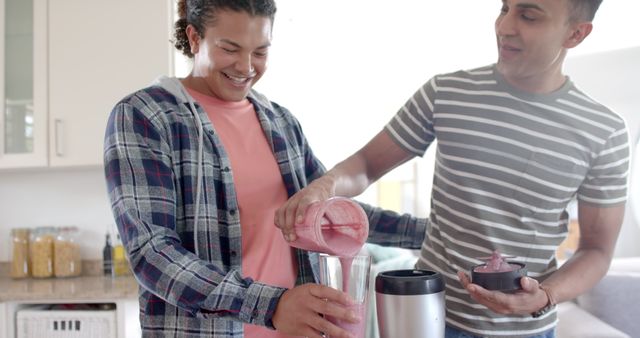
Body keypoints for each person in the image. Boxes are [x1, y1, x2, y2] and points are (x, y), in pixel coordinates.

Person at [276, 1, 630, 337]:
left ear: (576, 34)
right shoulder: (446, 93)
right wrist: (324, 186)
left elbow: (596, 250)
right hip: (423, 318)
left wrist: (546, 294)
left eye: (529, 16)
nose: (504, 27)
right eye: (504, 8)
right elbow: (366, 165)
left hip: (525, 331)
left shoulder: (604, 132)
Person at [103, 0, 424, 337]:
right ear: (194, 37)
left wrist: (438, 232)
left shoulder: (280, 122)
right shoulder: (146, 116)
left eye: (260, 52)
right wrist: (272, 305)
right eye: (230, 49)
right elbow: (152, 254)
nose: (246, 67)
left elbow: (335, 216)